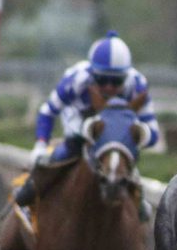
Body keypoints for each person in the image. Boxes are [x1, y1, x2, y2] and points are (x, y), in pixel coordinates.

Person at [13, 31, 160, 210]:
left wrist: (137, 133)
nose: (109, 87)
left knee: (125, 161)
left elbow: (153, 134)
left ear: (126, 76)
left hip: (116, 138)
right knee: (68, 149)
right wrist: (41, 145)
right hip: (80, 124)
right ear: (92, 73)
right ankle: (31, 191)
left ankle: (140, 206)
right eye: (102, 79)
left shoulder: (137, 84)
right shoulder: (76, 79)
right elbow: (47, 111)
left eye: (116, 81)